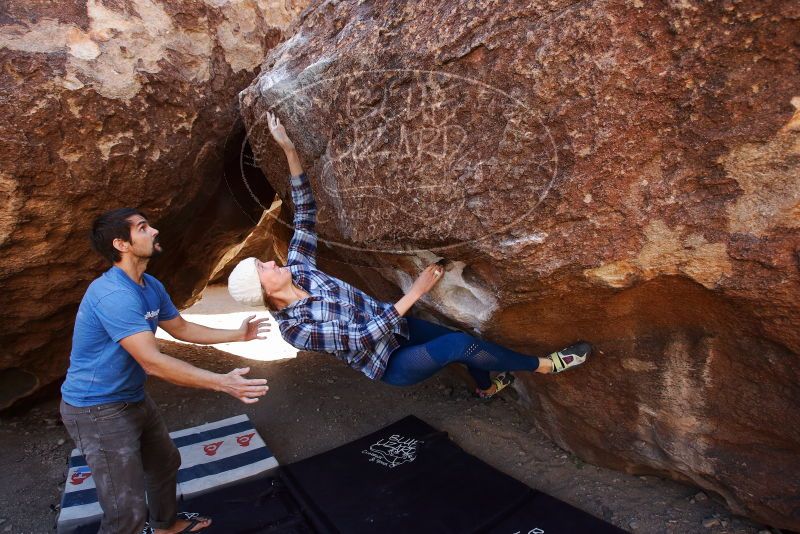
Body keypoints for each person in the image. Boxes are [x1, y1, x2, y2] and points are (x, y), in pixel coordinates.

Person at [227, 112, 590, 398]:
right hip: (389, 362)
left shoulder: (300, 270)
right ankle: (547, 365)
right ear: (266, 293)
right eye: (264, 267)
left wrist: (289, 150)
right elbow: (362, 337)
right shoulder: (296, 330)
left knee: (458, 339)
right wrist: (416, 292)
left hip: (399, 327)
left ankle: (486, 386)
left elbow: (305, 212)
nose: (273, 262)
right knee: (457, 344)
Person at [60, 208, 271, 534]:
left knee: (164, 463)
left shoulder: (149, 285)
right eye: (143, 228)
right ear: (122, 244)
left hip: (131, 397)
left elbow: (181, 327)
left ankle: (164, 525)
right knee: (124, 509)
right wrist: (221, 382)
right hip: (96, 409)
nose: (154, 231)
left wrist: (237, 334)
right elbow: (152, 361)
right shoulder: (113, 295)